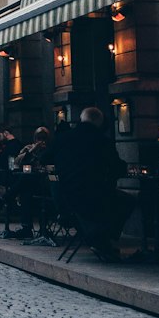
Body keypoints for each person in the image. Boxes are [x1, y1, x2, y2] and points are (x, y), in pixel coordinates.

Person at [58, 107, 128, 260]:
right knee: (128, 200)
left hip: (64, 196)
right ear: (99, 122)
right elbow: (118, 167)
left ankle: (97, 237)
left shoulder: (63, 138)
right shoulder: (102, 140)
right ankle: (102, 238)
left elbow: (45, 159)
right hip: (93, 197)